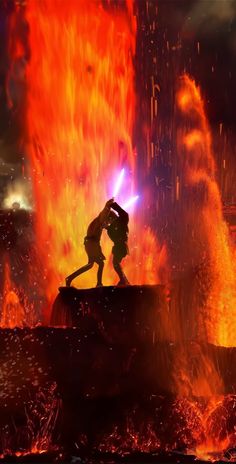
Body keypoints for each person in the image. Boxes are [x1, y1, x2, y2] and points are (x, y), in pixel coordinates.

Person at [65, 199, 114, 287]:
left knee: (90, 264)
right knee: (100, 264)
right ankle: (99, 283)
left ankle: (70, 278)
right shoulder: (100, 220)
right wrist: (108, 206)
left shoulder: (99, 222)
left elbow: (105, 225)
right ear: (108, 218)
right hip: (91, 244)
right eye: (110, 221)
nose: (109, 223)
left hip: (90, 244)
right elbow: (104, 213)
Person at [106, 201, 130, 286]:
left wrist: (113, 205)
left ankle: (123, 280)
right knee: (116, 263)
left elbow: (124, 214)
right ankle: (124, 280)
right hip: (119, 246)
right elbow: (113, 237)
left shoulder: (121, 221)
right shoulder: (112, 227)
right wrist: (108, 228)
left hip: (121, 246)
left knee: (116, 263)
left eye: (109, 218)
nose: (109, 221)